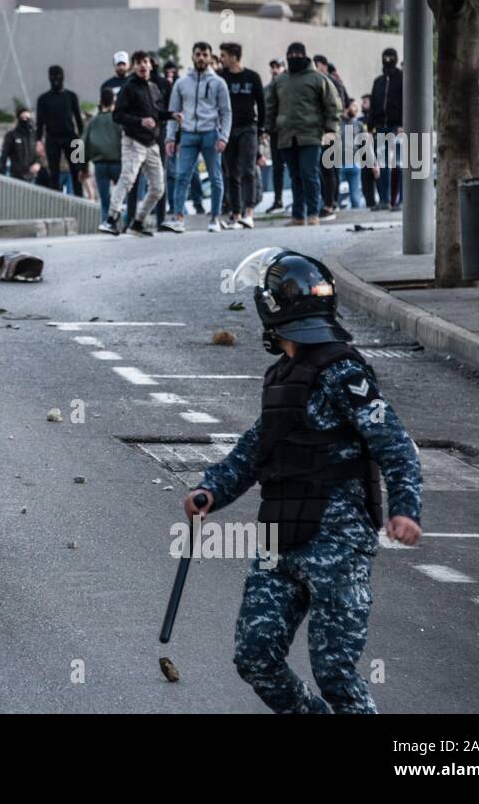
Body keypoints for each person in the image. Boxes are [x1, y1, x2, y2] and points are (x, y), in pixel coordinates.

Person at [187, 248, 422, 714]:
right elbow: (256, 448)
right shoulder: (281, 376)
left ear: (271, 309)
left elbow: (394, 443)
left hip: (336, 543)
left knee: (335, 673)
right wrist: (211, 489)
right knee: (255, 659)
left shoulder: (344, 372)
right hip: (279, 538)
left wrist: (405, 509)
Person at [266, 42, 340, 227]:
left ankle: (313, 213)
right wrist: (268, 128)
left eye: (297, 54)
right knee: (295, 176)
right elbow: (271, 106)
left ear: (305, 56)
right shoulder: (280, 81)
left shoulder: (318, 79)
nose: (293, 57)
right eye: (290, 54)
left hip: (311, 135)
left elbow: (332, 105)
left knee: (309, 174)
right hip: (286, 136)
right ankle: (298, 216)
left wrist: (330, 128)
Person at [164, 42, 230, 233]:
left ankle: (215, 218)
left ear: (210, 57)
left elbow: (226, 112)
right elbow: (173, 112)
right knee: (181, 176)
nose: (201, 58)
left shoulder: (218, 83)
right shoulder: (181, 83)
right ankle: (178, 218)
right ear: (192, 56)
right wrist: (170, 138)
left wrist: (224, 136)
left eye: (205, 54)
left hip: (211, 133)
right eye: (198, 54)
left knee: (215, 177)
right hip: (188, 135)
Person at [104, 51, 166, 236]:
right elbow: (117, 116)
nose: (142, 65)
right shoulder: (128, 88)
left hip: (151, 143)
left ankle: (138, 222)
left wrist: (172, 116)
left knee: (158, 188)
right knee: (128, 179)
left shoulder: (154, 88)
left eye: (145, 62)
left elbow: (157, 114)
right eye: (138, 62)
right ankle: (111, 219)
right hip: (133, 140)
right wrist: (140, 121)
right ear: (134, 66)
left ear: (151, 65)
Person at [217, 42, 264, 229]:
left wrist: (261, 130)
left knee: (248, 170)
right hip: (227, 130)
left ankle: (249, 213)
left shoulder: (252, 77)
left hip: (248, 128)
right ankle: (235, 214)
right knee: (231, 173)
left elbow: (261, 105)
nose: (221, 59)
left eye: (224, 55)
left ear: (234, 56)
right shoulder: (220, 78)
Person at [364, 48, 403, 211]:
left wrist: (403, 124)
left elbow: (406, 102)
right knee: (382, 164)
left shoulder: (402, 78)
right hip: (380, 127)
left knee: (400, 163)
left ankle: (403, 200)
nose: (388, 60)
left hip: (397, 127)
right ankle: (384, 200)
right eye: (385, 57)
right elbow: (373, 106)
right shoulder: (378, 81)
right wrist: (369, 127)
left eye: (390, 57)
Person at [35, 65, 84, 194]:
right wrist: (38, 140)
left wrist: (82, 140)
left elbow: (79, 120)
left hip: (72, 138)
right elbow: (39, 122)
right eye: (52, 77)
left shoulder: (71, 96)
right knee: (54, 172)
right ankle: (55, 202)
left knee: (77, 171)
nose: (55, 80)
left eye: (58, 77)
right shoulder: (43, 99)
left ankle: (80, 200)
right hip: (53, 138)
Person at [313, 56, 349, 219]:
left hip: (331, 129)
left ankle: (330, 203)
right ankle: (331, 201)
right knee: (330, 168)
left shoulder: (331, 81)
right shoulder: (333, 81)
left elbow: (340, 105)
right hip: (330, 128)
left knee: (328, 167)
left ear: (323, 66)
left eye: (317, 65)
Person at [86, 88, 122, 223]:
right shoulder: (119, 120)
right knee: (121, 196)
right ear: (114, 102)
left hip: (100, 164)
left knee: (104, 198)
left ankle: (106, 223)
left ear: (100, 102)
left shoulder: (93, 122)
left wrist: (80, 166)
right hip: (119, 163)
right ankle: (121, 221)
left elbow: (78, 142)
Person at [265, 60, 287, 212]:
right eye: (272, 67)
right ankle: (278, 200)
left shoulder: (289, 85)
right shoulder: (267, 89)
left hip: (289, 130)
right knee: (277, 168)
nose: (274, 70)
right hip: (275, 132)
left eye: (277, 67)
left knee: (295, 167)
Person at [0, 107, 40, 182]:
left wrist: (38, 163)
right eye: (23, 117)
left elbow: (39, 153)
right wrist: (2, 176)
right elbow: (4, 156)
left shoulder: (34, 135)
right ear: (18, 119)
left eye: (28, 118)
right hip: (16, 176)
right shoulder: (11, 135)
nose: (25, 120)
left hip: (32, 176)